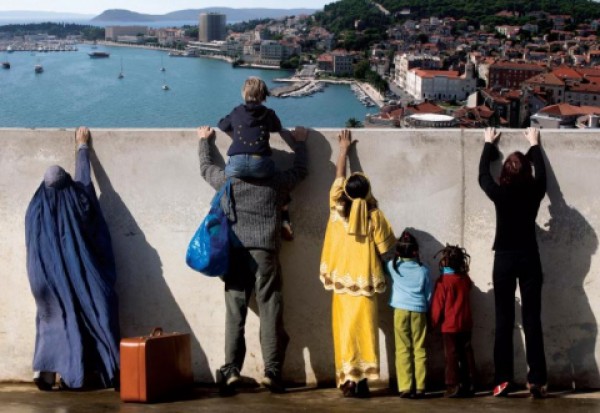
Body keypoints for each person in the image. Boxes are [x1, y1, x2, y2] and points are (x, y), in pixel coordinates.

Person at [197, 124, 308, 394]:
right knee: (270, 308)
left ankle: (232, 370)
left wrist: (204, 142)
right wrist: (300, 143)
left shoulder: (228, 180)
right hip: (266, 250)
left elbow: (205, 168)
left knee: (235, 310)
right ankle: (272, 371)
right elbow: (301, 171)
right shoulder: (276, 180)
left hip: (234, 250)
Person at [25, 127, 120, 391]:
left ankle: (45, 373)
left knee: (52, 319)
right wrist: (82, 148)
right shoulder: (78, 202)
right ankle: (95, 373)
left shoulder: (36, 207)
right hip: (81, 275)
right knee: (99, 309)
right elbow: (85, 185)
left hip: (45, 280)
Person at [319, 129, 396, 398]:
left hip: (342, 284)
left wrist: (343, 149)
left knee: (344, 332)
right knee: (366, 332)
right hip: (365, 283)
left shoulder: (336, 206)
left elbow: (339, 177)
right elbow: (388, 249)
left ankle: (347, 380)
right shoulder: (375, 216)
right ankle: (363, 382)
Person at [478, 127, 547, 398]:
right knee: (532, 320)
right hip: (530, 257)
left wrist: (487, 144)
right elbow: (541, 175)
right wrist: (535, 144)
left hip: (504, 259)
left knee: (504, 320)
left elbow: (483, 176)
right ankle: (538, 380)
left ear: (505, 174)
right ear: (526, 174)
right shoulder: (535, 193)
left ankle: (502, 379)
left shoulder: (500, 194)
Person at [218, 76, 294, 240]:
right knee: (280, 182)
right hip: (260, 164)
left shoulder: (237, 111)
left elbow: (222, 125)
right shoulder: (268, 113)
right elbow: (277, 127)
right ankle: (285, 217)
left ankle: (224, 217)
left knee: (225, 185)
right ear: (264, 95)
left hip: (236, 164)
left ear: (244, 93)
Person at [386, 230, 431, 399]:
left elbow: (382, 264)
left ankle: (405, 387)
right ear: (416, 252)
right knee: (420, 349)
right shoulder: (424, 270)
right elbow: (428, 295)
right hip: (419, 311)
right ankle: (420, 387)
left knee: (402, 349)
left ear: (397, 252)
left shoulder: (392, 267)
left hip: (400, 311)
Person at [431, 244, 476, 398]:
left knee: (451, 355)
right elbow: (469, 287)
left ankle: (452, 385)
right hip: (466, 323)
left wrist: (432, 323)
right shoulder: (464, 279)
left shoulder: (443, 281)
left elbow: (437, 306)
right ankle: (470, 383)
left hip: (449, 327)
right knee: (467, 353)